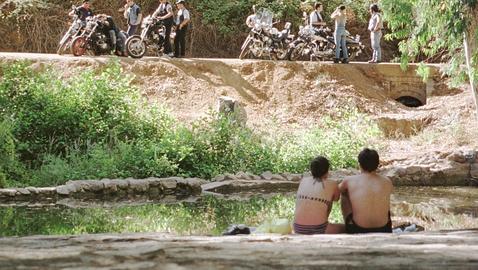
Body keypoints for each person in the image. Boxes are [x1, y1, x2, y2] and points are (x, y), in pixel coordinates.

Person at [339, 148, 393, 234]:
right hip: (385, 228)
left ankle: (348, 224)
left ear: (359, 165)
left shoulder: (349, 181)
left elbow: (336, 192)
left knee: (344, 194)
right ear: (377, 164)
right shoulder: (387, 181)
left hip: (358, 229)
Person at [294, 156, 344, 235]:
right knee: (346, 228)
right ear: (327, 170)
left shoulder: (304, 180)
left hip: (298, 228)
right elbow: (336, 198)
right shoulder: (332, 184)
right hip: (320, 229)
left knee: (324, 200)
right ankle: (324, 222)